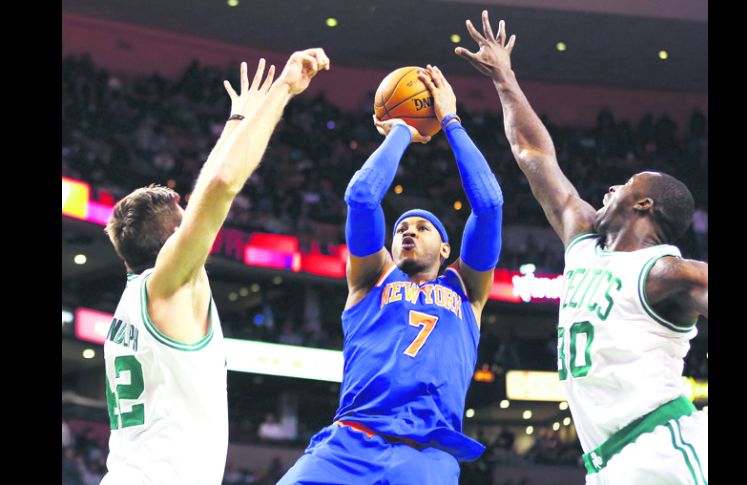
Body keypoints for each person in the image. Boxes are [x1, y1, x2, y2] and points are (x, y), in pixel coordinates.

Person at [456, 11, 707, 484]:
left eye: (626, 184)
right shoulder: (582, 241)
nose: (612, 186)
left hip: (663, 445)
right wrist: (505, 78)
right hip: (609, 461)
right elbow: (535, 155)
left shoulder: (665, 273)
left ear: (645, 205)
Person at [101, 48, 330, 484]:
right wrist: (282, 89)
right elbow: (221, 184)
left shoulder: (137, 297)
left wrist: (236, 123)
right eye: (187, 216)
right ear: (175, 240)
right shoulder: (170, 282)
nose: (196, 219)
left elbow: (207, 187)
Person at [278, 65, 503, 484]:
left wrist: (451, 121)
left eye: (422, 228)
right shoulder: (372, 277)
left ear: (447, 249)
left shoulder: (467, 289)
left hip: (425, 457)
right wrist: (402, 129)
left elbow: (488, 206)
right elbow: (362, 197)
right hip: (348, 445)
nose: (407, 232)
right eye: (401, 228)